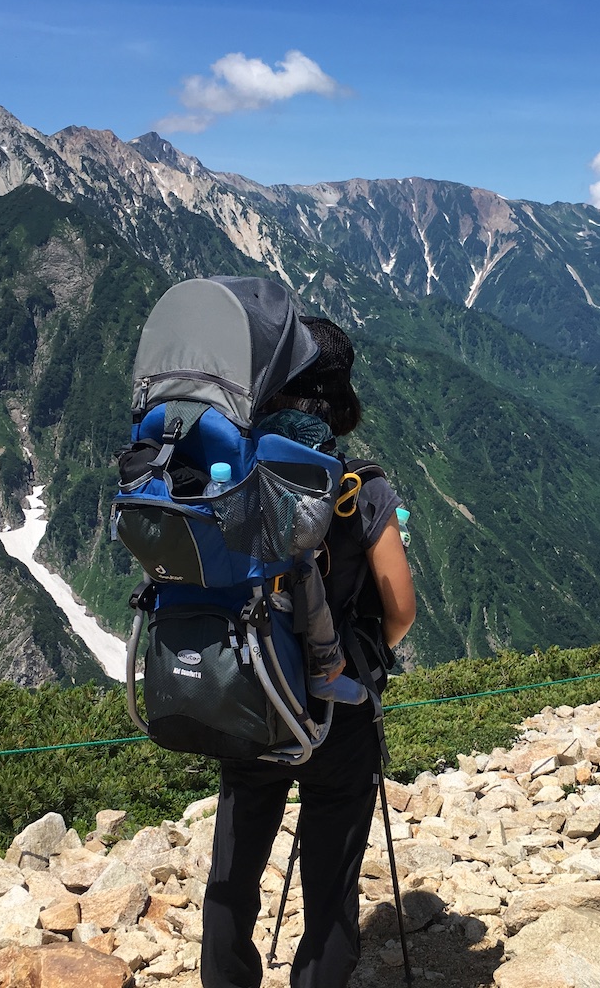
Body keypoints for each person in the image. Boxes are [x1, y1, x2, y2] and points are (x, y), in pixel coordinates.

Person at [201, 316, 416, 988]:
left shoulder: (235, 480)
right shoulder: (362, 490)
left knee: (232, 874)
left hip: (251, 695)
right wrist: (361, 655)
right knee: (330, 882)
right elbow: (402, 608)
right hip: (337, 709)